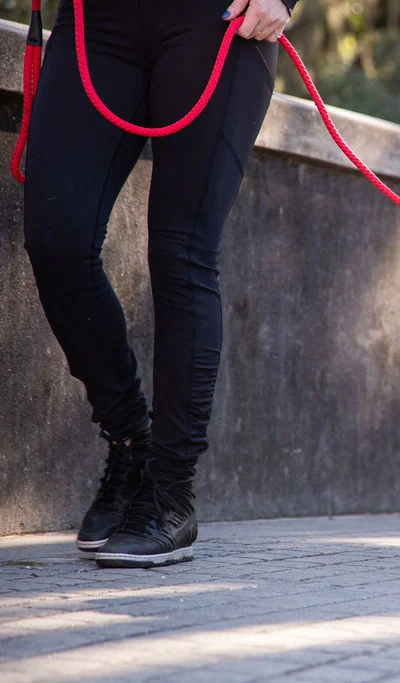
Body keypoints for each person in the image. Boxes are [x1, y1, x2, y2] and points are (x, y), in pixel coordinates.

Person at [22, 0, 297, 568]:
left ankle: (169, 492)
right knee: (57, 239)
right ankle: (130, 443)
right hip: (96, 23)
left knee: (182, 253)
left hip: (217, 21)